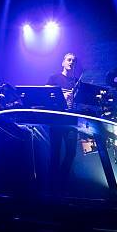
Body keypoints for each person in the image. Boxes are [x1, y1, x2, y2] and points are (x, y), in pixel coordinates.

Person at [46, 53, 79, 196]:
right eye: (69, 60)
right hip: (57, 120)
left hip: (71, 121)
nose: (71, 62)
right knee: (55, 153)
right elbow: (46, 96)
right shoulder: (54, 78)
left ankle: (61, 181)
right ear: (63, 62)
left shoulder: (76, 81)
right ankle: (52, 185)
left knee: (71, 152)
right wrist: (61, 97)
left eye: (74, 61)